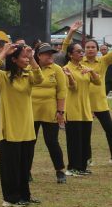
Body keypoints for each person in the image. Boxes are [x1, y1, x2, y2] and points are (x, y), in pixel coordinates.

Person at [0, 43, 43, 206]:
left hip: (26, 128)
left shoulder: (28, 75)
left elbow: (40, 78)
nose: (26, 60)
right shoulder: (3, 77)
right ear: (14, 60)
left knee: (25, 165)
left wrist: (32, 59)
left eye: (27, 57)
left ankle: (24, 196)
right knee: (10, 166)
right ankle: (10, 198)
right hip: (10, 128)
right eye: (23, 57)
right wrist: (3, 53)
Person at [62, 21, 112, 164]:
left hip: (100, 102)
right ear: (83, 50)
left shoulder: (103, 61)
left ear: (97, 49)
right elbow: (66, 49)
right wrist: (71, 32)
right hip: (83, 102)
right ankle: (87, 158)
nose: (90, 49)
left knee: (109, 129)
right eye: (87, 47)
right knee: (85, 133)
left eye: (93, 47)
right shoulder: (79, 61)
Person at [29, 43, 68, 184]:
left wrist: (60, 111)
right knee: (29, 143)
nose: (50, 55)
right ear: (38, 56)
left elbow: (62, 92)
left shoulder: (57, 69)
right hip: (30, 112)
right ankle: (26, 171)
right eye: (46, 53)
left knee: (52, 142)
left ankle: (60, 171)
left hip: (50, 111)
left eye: (51, 53)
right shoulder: (29, 68)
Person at [62, 42, 100, 176]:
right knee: (74, 141)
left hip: (86, 109)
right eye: (78, 51)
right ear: (70, 54)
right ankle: (72, 167)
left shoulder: (84, 67)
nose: (81, 53)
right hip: (73, 109)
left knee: (85, 140)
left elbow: (98, 82)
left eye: (81, 51)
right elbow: (73, 87)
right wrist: (69, 75)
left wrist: (91, 71)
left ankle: (82, 167)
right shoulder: (66, 69)